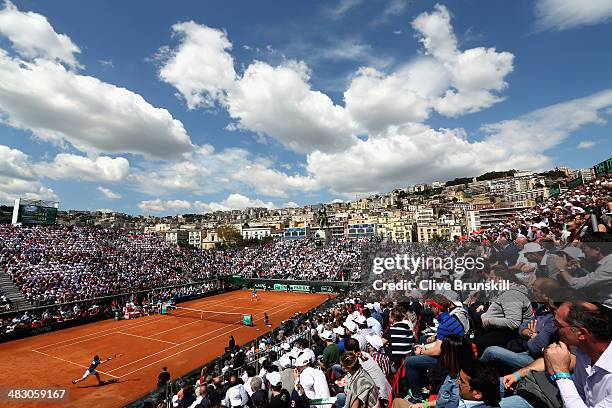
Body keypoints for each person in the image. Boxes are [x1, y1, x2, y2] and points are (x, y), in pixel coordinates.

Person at [503, 301, 612, 408]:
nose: (553, 328)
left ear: (582, 334)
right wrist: (518, 375)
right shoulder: (584, 353)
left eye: (558, 325)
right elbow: (579, 391)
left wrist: (561, 375)